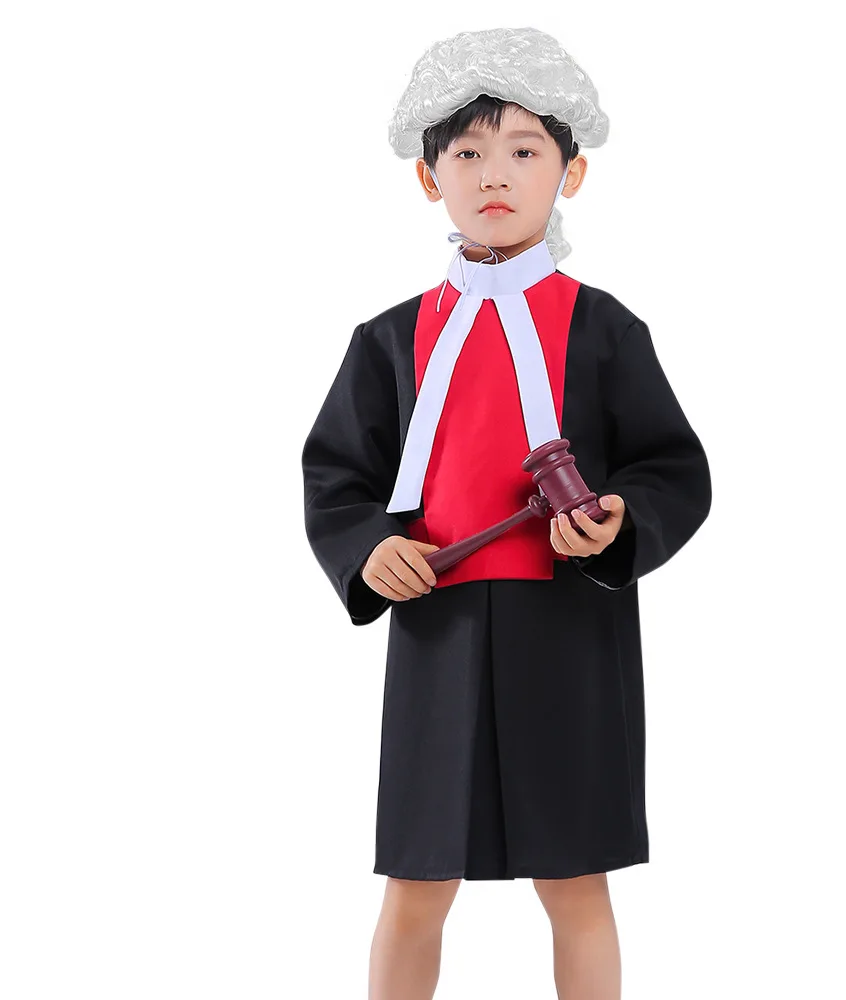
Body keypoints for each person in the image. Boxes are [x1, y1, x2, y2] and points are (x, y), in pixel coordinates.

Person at [301, 26, 712, 1000]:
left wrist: (619, 522)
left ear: (572, 172)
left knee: (575, 880)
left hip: (570, 628)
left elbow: (672, 466)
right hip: (436, 628)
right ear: (426, 176)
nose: (495, 174)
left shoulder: (605, 329)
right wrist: (370, 548)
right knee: (415, 881)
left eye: (526, 149)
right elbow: (338, 474)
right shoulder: (389, 339)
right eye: (468, 152)